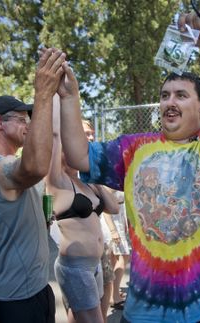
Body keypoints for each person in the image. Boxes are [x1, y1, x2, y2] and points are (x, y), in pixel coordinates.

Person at [59, 9, 200, 323]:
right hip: (146, 310)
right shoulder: (132, 148)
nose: (170, 102)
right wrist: (69, 98)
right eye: (164, 96)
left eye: (181, 95)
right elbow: (78, 156)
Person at [0, 48, 66, 323]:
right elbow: (35, 167)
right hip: (18, 300)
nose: (28, 124)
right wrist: (44, 93)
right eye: (22, 118)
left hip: (17, 292)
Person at [46, 95, 119, 323]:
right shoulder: (57, 181)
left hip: (94, 264)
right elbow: (56, 135)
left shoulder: (86, 183)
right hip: (75, 268)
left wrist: (95, 179)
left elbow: (114, 208)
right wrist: (58, 95)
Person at [81, 119, 119, 321]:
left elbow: (112, 207)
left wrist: (97, 182)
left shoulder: (94, 168)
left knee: (106, 283)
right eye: (86, 134)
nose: (91, 137)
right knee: (82, 302)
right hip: (77, 250)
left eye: (91, 133)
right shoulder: (65, 169)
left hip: (100, 239)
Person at [107, 191, 130, 310]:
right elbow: (105, 205)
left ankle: (113, 292)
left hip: (120, 215)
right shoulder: (109, 180)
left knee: (114, 257)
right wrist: (113, 230)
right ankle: (114, 297)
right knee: (124, 256)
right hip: (113, 219)